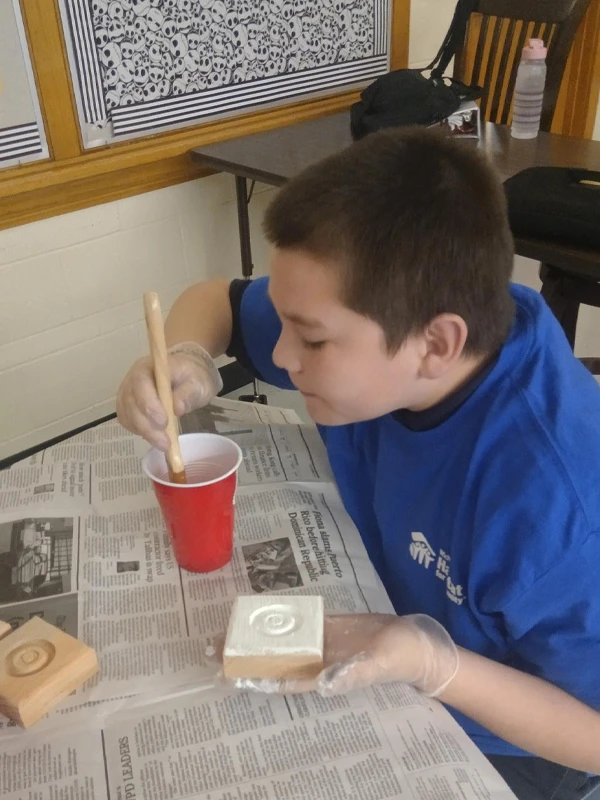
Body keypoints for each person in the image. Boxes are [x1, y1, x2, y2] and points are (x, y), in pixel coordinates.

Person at [117, 128, 600, 799]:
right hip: (385, 611)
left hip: (512, 737)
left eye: (311, 338)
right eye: (286, 325)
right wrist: (186, 356)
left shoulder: (558, 508)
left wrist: (434, 664)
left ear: (436, 343)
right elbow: (215, 302)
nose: (282, 357)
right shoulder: (404, 320)